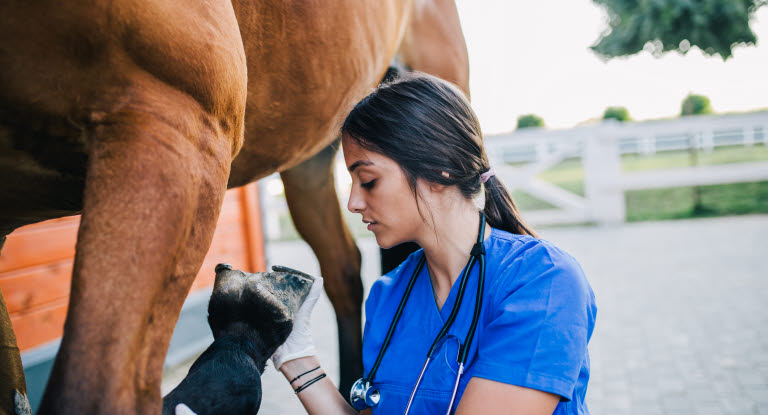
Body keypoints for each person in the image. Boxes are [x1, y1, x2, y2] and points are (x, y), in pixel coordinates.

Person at [270, 72, 597, 415]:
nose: (352, 202)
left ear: (439, 170)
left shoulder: (543, 281)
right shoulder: (388, 296)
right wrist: (296, 356)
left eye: (368, 180)